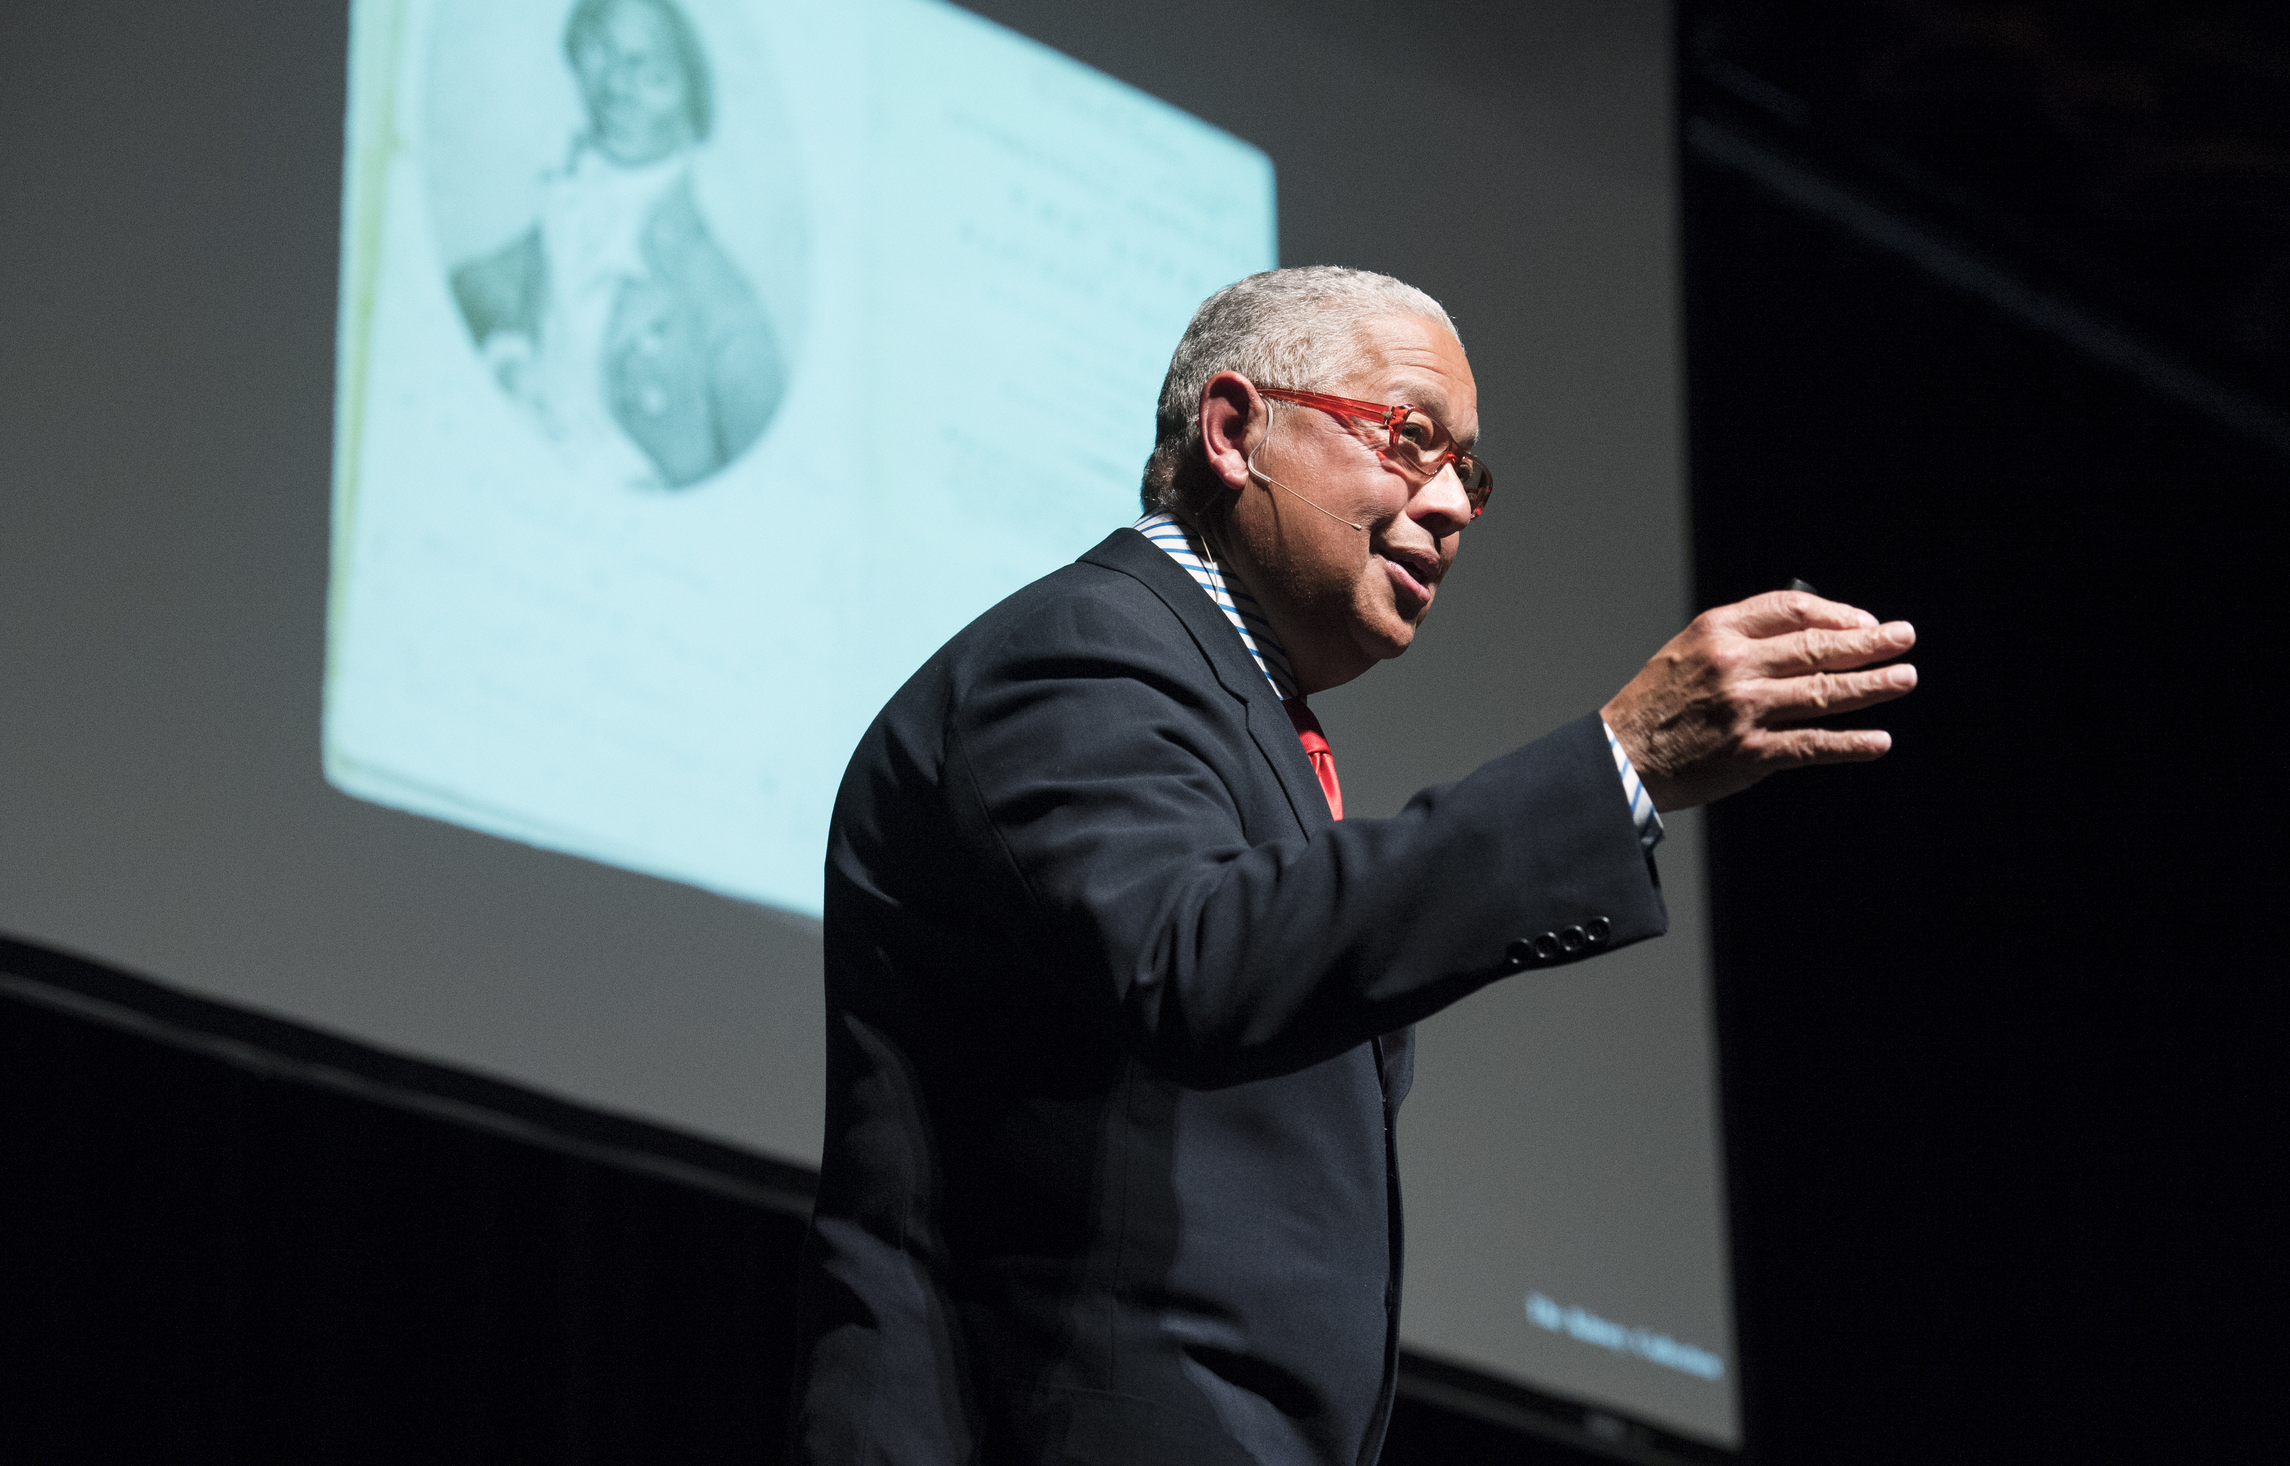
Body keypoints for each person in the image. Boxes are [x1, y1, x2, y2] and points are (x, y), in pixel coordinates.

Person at [786, 267, 1916, 1465]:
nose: (1447, 507)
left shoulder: (1244, 714)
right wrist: (1617, 760)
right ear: (1235, 432)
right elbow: (1192, 959)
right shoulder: (1081, 649)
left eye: (1467, 476)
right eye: (1410, 440)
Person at [450, 0, 784, 490]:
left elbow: (765, 478)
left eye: (651, 76)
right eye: (598, 55)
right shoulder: (571, 201)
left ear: (691, 109)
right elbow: (478, 284)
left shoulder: (723, 304)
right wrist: (510, 356)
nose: (615, 90)